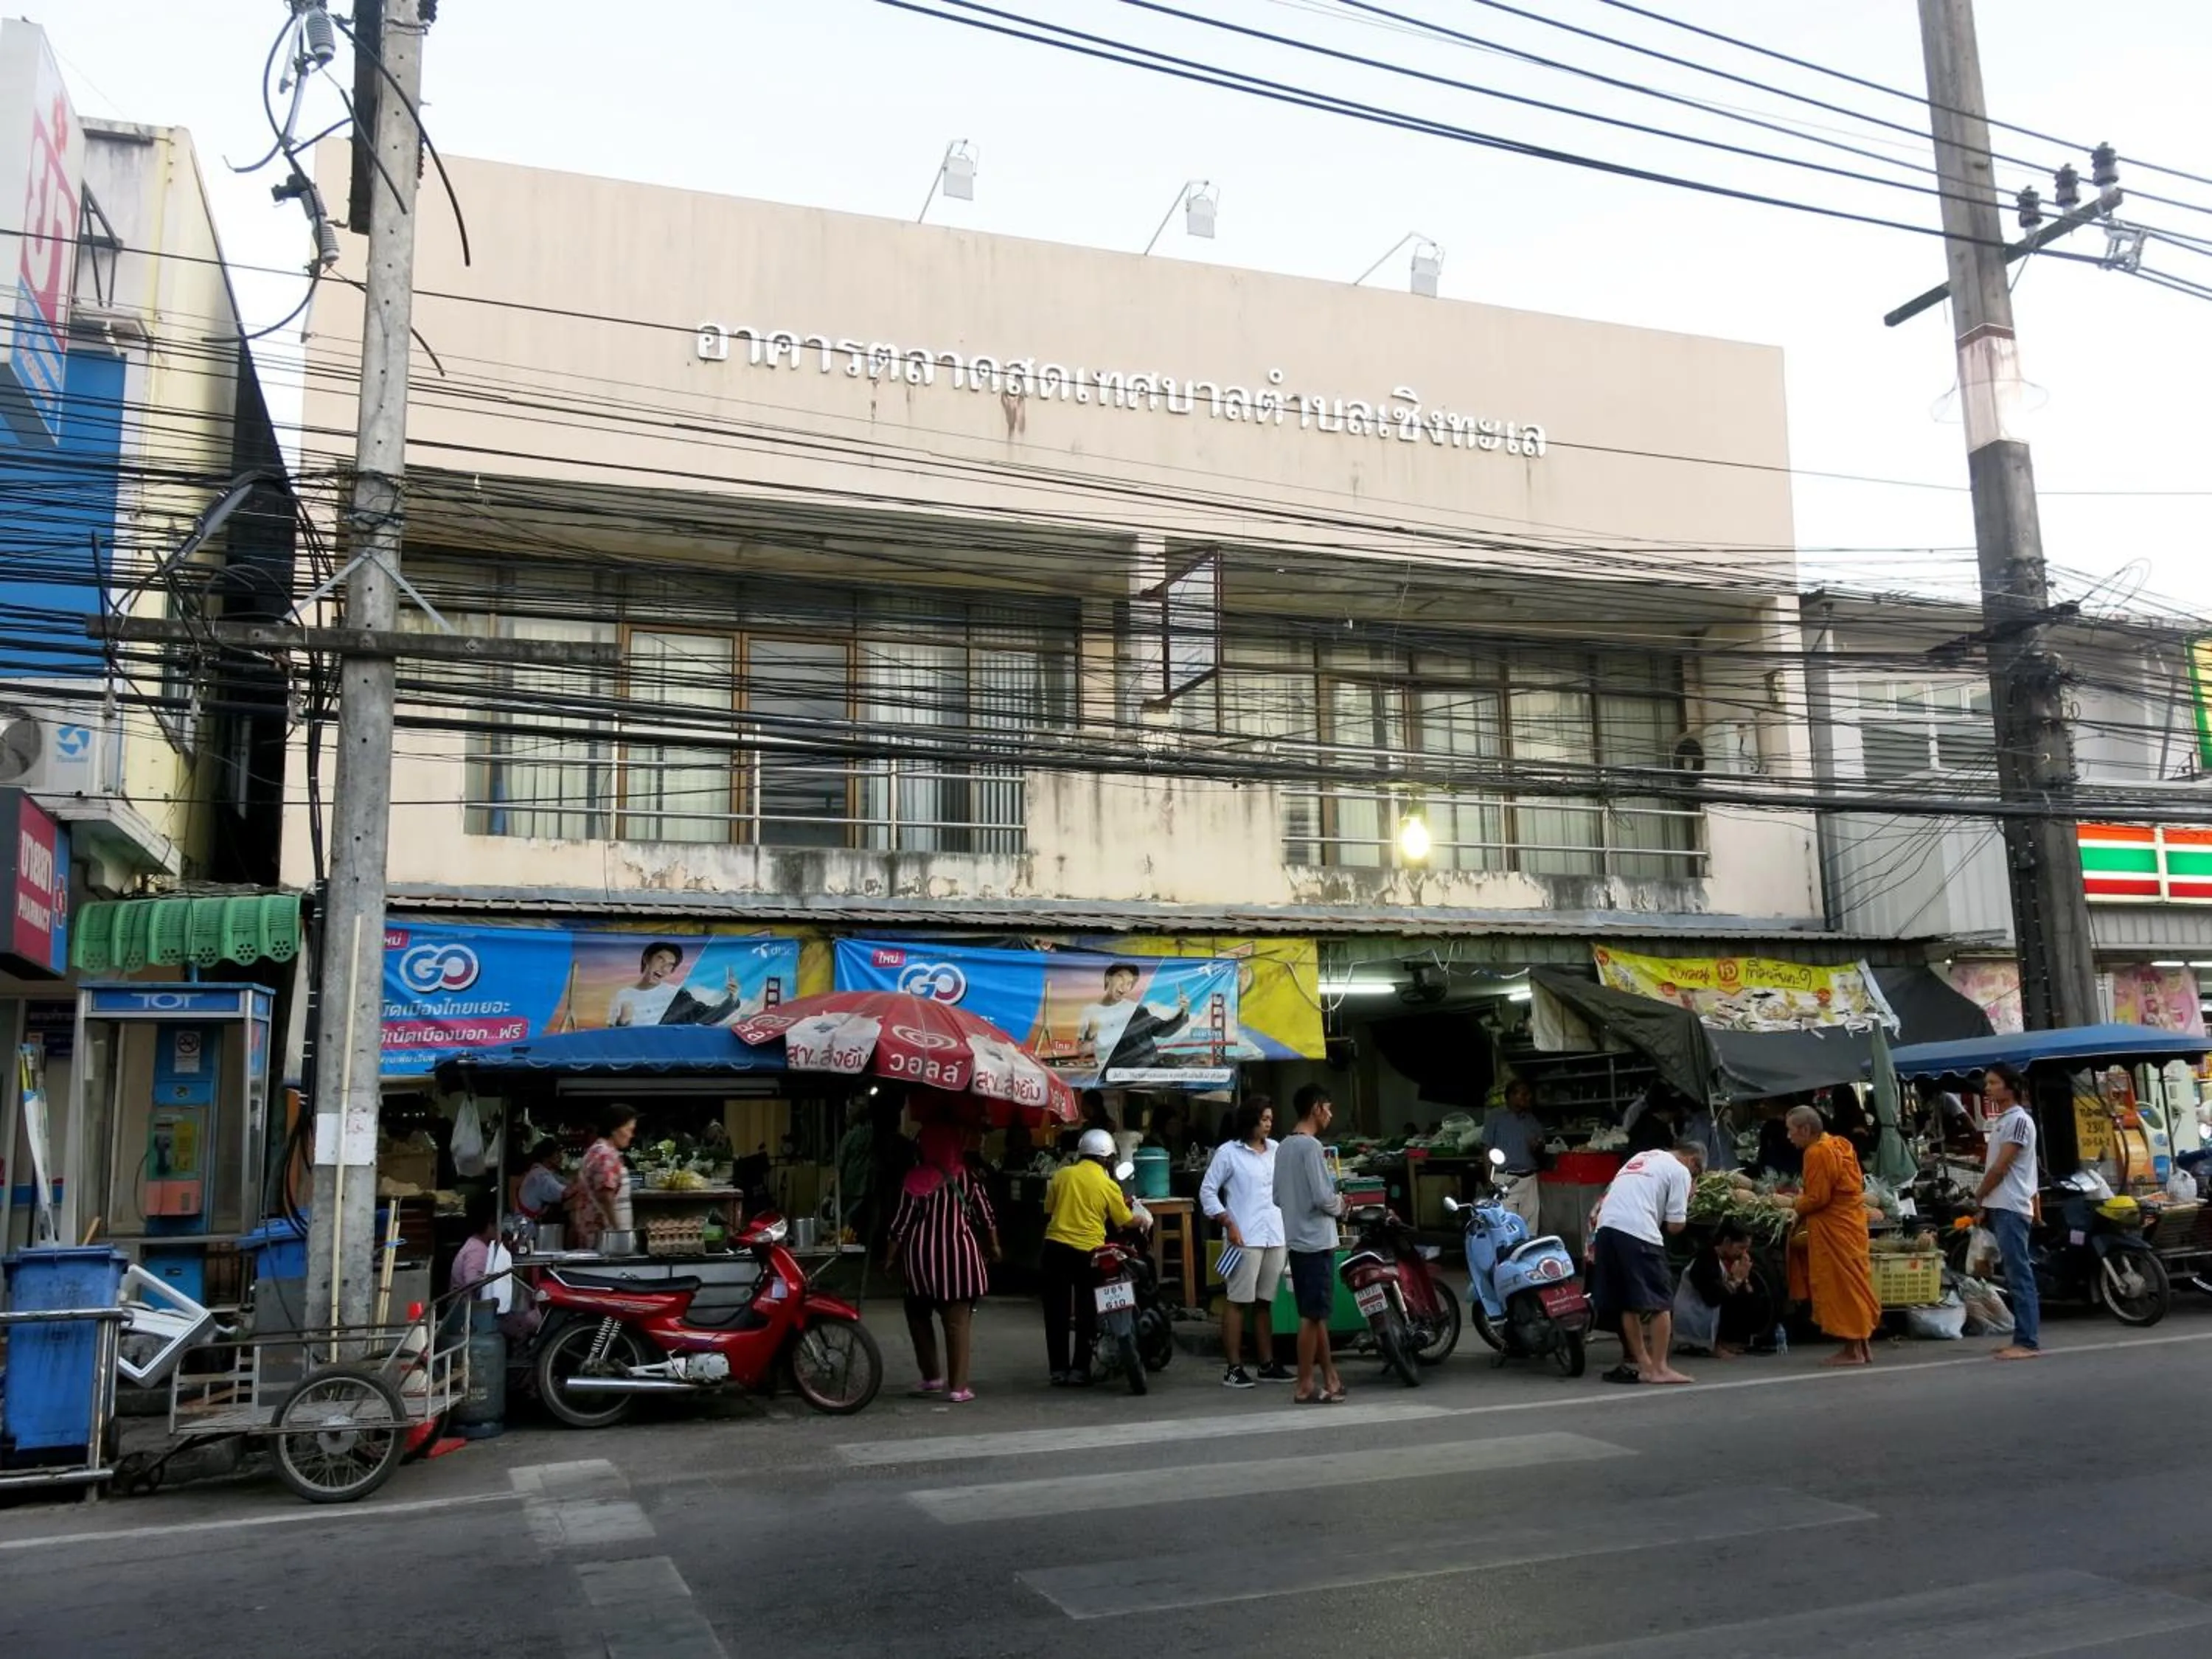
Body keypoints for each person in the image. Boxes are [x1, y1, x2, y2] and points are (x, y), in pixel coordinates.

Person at [886, 1124, 1000, 1404]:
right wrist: (995, 1246)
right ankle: (958, 1388)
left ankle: (932, 1377)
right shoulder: (968, 1178)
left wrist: (889, 1258)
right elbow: (986, 1216)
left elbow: (900, 1225)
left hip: (920, 1263)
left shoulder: (913, 1180)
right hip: (960, 1261)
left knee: (917, 1315)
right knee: (957, 1324)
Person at [1588, 1138, 1702, 1385]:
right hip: (1637, 1232)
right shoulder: (1680, 1170)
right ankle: (1660, 1368)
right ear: (1693, 1161)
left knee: (1629, 1303)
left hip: (1606, 1229)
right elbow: (1675, 1226)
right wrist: (1688, 1198)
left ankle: (1645, 1365)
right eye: (1697, 1174)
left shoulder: (1642, 1156)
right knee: (1661, 1302)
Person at [1040, 1127, 1147, 1385]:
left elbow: (1050, 1209)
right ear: (1107, 1158)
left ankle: (1058, 1370)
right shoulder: (1107, 1184)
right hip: (1089, 1253)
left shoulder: (1061, 1175)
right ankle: (1079, 1370)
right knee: (1087, 1310)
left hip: (1054, 1248)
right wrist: (1141, 1219)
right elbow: (1124, 1220)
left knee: (1057, 1311)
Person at [1200, 1097, 1290, 1386]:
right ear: (1251, 1120)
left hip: (1275, 1235)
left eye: (1270, 1119)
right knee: (1238, 1301)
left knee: (1265, 1302)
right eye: (1264, 1119)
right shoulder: (1229, 1153)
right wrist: (1227, 1221)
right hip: (1244, 1238)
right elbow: (1208, 1192)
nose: (1268, 1124)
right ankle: (1234, 1367)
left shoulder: (1277, 1150)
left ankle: (1266, 1363)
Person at [1785, 1104, 1882, 1367]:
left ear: (1805, 1130)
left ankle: (1852, 1350)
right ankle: (1862, 1346)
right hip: (1851, 1224)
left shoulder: (1817, 1152)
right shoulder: (1840, 1144)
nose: (1789, 1136)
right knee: (1854, 1282)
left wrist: (1796, 1206)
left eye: (1791, 1131)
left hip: (1834, 1228)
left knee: (1841, 1286)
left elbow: (1818, 1197)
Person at [1274, 1084, 1348, 1404]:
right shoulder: (1311, 1147)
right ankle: (1305, 1384)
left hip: (1296, 1238)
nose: (1331, 1114)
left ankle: (1330, 1377)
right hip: (1316, 1240)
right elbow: (1322, 1197)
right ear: (1317, 1108)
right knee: (1311, 1316)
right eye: (1328, 1108)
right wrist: (1342, 1204)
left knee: (1316, 1313)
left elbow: (1277, 1196)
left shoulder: (1284, 1147)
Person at [1975, 1061, 2042, 1361]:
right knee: (2015, 1274)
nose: (1987, 1088)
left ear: (2010, 1087)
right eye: (1987, 1083)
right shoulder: (2004, 1121)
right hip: (2004, 1205)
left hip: (2011, 1207)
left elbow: (2002, 1168)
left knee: (2020, 1275)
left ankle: (2027, 1341)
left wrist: (1979, 1195)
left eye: (1993, 1083)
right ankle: (2021, 1337)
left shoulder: (2017, 1120)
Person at [1672, 1220, 1773, 1358]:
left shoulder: (1730, 1260)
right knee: (1729, 1298)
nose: (1743, 1253)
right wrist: (1736, 1280)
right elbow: (1712, 1298)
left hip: (1710, 1308)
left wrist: (1745, 1278)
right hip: (1696, 1313)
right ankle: (1713, 1345)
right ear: (1726, 1242)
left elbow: (1747, 1294)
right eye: (1741, 1248)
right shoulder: (1705, 1259)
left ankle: (1728, 1341)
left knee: (1748, 1299)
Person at [1077, 963, 1192, 1075]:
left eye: (1129, 983)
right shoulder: (1090, 1011)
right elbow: (1083, 1052)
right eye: (1120, 978)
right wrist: (1090, 1034)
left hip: (1147, 1070)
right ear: (1108, 978)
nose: (1124, 986)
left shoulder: (1136, 1010)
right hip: (1113, 1074)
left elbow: (1163, 1030)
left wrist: (1184, 1010)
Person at [452, 1191, 537, 1340]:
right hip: (471, 1316)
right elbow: (473, 1282)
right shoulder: (477, 1250)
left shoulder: (478, 1244)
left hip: (474, 1312)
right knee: (528, 1322)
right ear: (491, 1223)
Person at [608, 942, 748, 1028]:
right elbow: (612, 1035)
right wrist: (622, 1022)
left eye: (670, 965)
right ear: (647, 958)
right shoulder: (622, 995)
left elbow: (706, 1016)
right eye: (660, 960)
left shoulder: (676, 995)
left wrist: (732, 999)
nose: (664, 968)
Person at [564, 1105, 636, 1252]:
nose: (631, 1135)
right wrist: (619, 1233)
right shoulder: (605, 1155)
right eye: (629, 1130)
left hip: (596, 1236)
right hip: (604, 1239)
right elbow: (606, 1196)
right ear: (614, 1129)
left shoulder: (598, 1150)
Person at [1479, 1080, 1548, 1227]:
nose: (1528, 1098)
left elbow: (1541, 1150)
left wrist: (1538, 1147)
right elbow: (1486, 1149)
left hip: (1529, 1179)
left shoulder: (1531, 1120)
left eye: (1528, 1095)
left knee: (1531, 1225)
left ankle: (1527, 1250)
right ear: (1511, 1096)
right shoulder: (1495, 1118)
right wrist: (1489, 1181)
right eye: (1524, 1094)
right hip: (1505, 1179)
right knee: (1508, 1226)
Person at [514, 1138, 568, 1220]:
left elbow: (564, 1183)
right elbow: (564, 1193)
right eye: (557, 1153)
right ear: (546, 1158)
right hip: (528, 1227)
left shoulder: (543, 1172)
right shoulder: (540, 1175)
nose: (561, 1157)